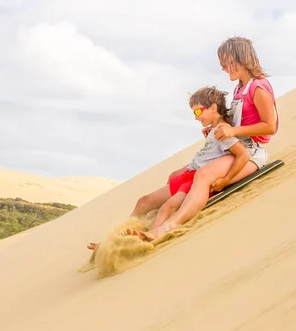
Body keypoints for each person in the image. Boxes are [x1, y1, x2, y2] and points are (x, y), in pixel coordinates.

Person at [141, 36, 279, 241]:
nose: (223, 68)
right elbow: (240, 119)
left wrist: (233, 132)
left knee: (203, 175)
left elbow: (270, 126)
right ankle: (154, 219)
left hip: (251, 152)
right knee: (176, 175)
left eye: (226, 62)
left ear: (240, 58)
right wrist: (218, 128)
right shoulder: (240, 87)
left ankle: (170, 225)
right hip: (231, 147)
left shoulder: (258, 87)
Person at [87, 85, 250, 251]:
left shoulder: (223, 132)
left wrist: (225, 179)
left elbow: (243, 155)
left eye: (198, 112)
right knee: (144, 202)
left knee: (167, 207)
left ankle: (140, 242)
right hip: (187, 174)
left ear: (214, 108)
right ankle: (116, 238)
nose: (195, 117)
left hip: (195, 180)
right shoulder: (213, 130)